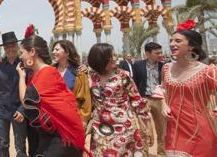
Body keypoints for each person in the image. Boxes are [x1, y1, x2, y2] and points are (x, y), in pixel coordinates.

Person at [16, 25, 86, 156]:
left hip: (61, 138)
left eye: (22, 53)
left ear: (32, 52)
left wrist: (21, 77)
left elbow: (26, 101)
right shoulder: (40, 73)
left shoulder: (46, 73)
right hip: (50, 136)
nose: (21, 57)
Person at [160, 20, 217, 156]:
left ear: (191, 46)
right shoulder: (166, 68)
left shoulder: (208, 71)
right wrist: (163, 105)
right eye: (171, 41)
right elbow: (162, 89)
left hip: (199, 129)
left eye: (178, 41)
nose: (172, 44)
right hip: (173, 128)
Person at [87, 43, 153, 157]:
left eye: (114, 55)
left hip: (124, 128)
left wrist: (148, 127)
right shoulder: (90, 76)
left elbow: (137, 101)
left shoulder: (123, 76)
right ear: (100, 59)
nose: (115, 58)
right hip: (99, 129)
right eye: (111, 56)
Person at [0, 31, 28, 157]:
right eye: (7, 46)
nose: (10, 49)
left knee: (20, 146)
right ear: (4, 49)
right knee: (3, 144)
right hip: (2, 111)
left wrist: (22, 109)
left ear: (16, 46)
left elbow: (29, 90)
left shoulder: (24, 65)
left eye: (12, 45)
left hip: (18, 111)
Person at [132, 42, 166, 156]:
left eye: (160, 52)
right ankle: (144, 154)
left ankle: (161, 154)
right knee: (144, 130)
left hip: (160, 100)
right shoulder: (137, 65)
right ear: (147, 53)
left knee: (162, 130)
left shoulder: (164, 66)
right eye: (157, 53)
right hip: (144, 100)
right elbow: (135, 83)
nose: (160, 55)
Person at [52, 40, 91, 124]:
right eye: (53, 49)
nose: (53, 52)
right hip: (53, 119)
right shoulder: (50, 71)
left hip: (72, 120)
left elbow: (86, 100)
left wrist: (83, 120)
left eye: (57, 50)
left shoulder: (79, 73)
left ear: (67, 53)